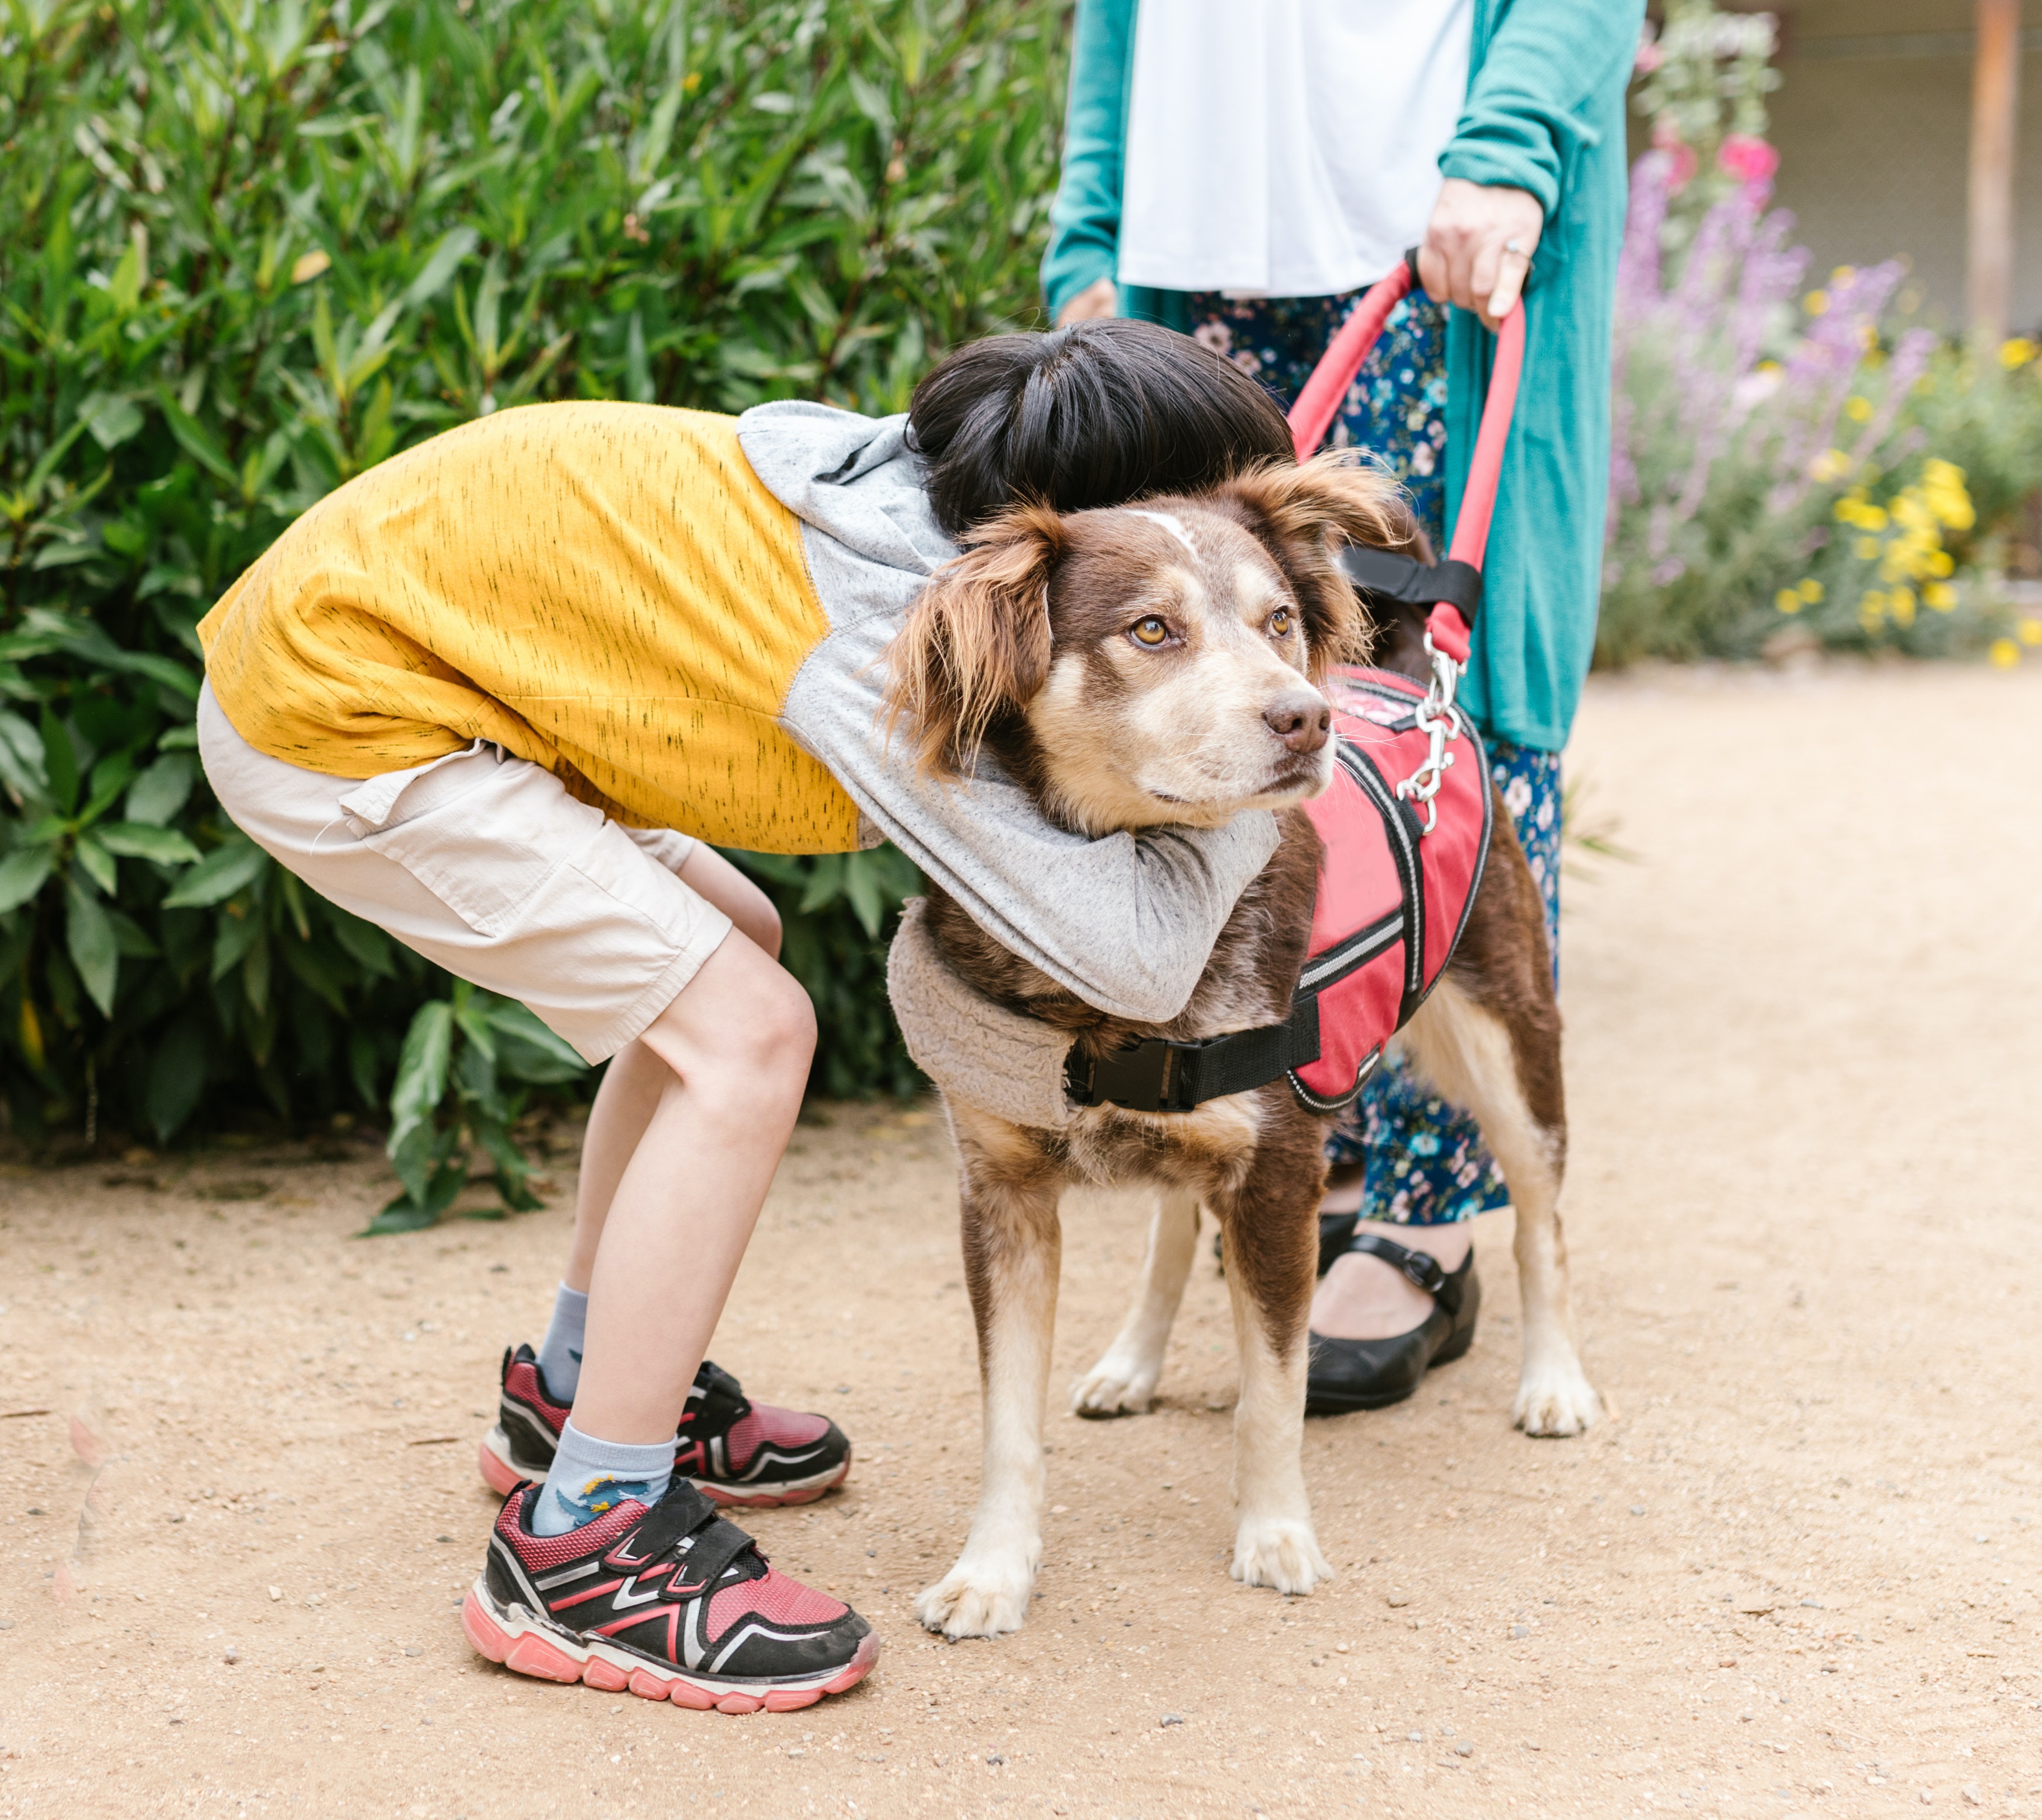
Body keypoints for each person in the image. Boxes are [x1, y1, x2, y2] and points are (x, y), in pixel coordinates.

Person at [194, 321, 1299, 1709]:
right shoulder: (895, 637)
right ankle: (585, 1545)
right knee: (749, 1032)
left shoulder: (912, 492)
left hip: (377, 661)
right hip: (339, 714)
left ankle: (578, 1394)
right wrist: (1287, 771)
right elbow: (1133, 963)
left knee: (730, 942)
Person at [1043, 0, 1640, 1412]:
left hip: (1438, 237)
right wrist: (1088, 240)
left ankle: (1430, 1223)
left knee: (1436, 745)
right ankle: (1300, 1149)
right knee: (1214, 748)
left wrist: (1509, 148)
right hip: (1199, 275)